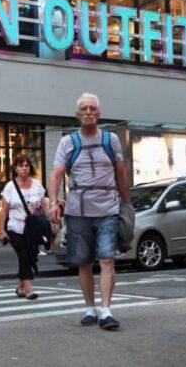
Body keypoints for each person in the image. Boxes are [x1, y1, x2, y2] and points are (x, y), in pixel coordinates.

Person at [48, 93, 131, 330]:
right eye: (84, 108)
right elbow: (56, 174)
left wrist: (127, 204)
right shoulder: (68, 142)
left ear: (99, 113)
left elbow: (121, 172)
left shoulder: (111, 140)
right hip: (78, 211)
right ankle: (90, 308)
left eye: (92, 108)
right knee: (83, 262)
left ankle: (106, 310)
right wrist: (52, 202)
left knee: (107, 258)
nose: (88, 112)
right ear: (77, 114)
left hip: (108, 209)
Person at [0, 156, 51, 300]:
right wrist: (1, 230)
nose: (24, 168)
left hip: (32, 229)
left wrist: (50, 220)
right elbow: (4, 210)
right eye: (21, 166)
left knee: (29, 256)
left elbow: (44, 203)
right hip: (14, 228)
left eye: (27, 166)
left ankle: (20, 287)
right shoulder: (10, 187)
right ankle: (28, 289)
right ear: (15, 169)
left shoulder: (37, 184)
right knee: (24, 256)